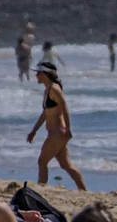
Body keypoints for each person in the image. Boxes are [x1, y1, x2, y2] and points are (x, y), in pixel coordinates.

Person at [26, 62, 88, 191]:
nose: (36, 75)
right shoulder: (47, 90)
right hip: (53, 132)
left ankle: (41, 190)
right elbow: (46, 113)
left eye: (39, 73)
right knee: (66, 165)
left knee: (42, 162)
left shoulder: (54, 88)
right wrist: (34, 130)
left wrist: (68, 130)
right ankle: (83, 190)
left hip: (58, 132)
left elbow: (65, 107)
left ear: (46, 74)